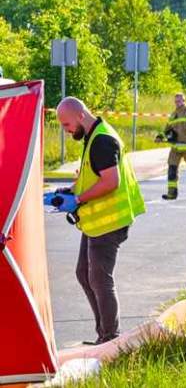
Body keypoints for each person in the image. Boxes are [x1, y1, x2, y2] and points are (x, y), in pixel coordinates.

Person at [56, 97, 145, 345]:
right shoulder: (93, 135)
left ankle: (110, 339)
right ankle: (104, 334)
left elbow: (110, 181)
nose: (66, 130)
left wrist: (79, 199)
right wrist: (70, 191)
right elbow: (91, 175)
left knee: (99, 278)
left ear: (80, 116)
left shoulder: (102, 140)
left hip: (110, 222)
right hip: (98, 221)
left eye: (67, 125)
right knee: (84, 274)